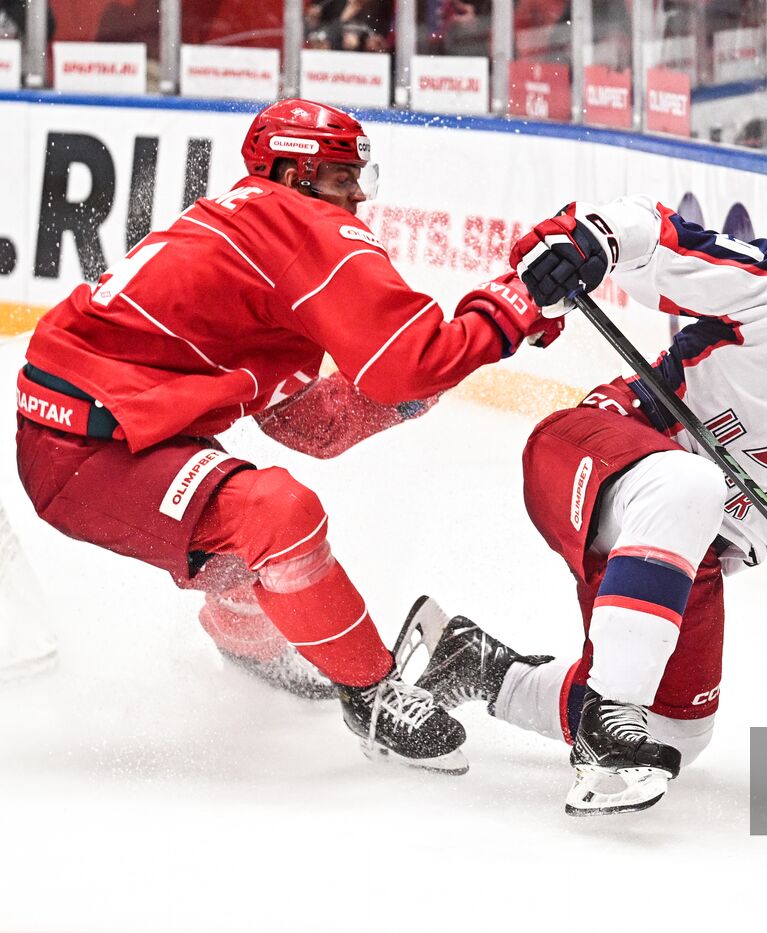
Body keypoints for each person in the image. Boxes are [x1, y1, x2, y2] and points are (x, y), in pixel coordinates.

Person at [398, 197, 767, 813]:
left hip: (688, 557)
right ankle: (609, 719)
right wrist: (592, 239)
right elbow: (661, 240)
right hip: (593, 453)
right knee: (692, 484)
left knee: (677, 735)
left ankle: (479, 667)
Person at [13, 99, 563, 773]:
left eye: (359, 177)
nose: (357, 195)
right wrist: (513, 307)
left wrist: (428, 381)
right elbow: (407, 362)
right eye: (340, 177)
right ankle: (373, 696)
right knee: (278, 515)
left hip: (112, 433)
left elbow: (313, 424)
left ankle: (249, 648)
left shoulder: (255, 234)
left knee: (241, 532)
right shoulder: (300, 226)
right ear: (291, 173)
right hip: (89, 448)